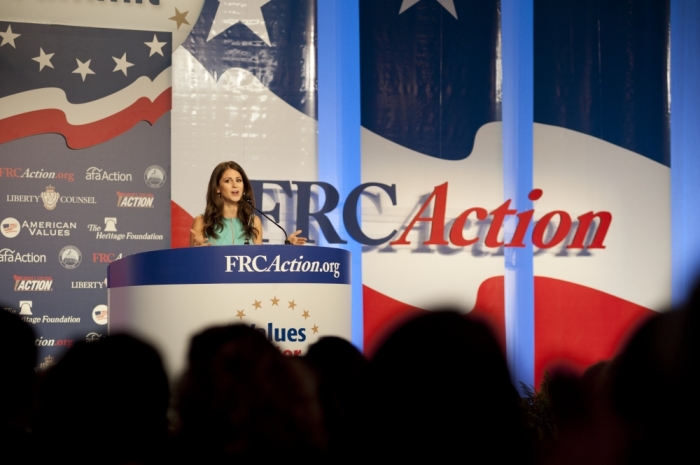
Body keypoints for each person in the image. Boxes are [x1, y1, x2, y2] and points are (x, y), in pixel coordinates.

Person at [190, 161, 306, 246]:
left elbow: (260, 263)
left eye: (239, 180)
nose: (235, 185)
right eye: (228, 181)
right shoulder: (202, 222)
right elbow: (193, 265)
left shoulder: (253, 221)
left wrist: (288, 247)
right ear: (217, 188)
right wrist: (195, 252)